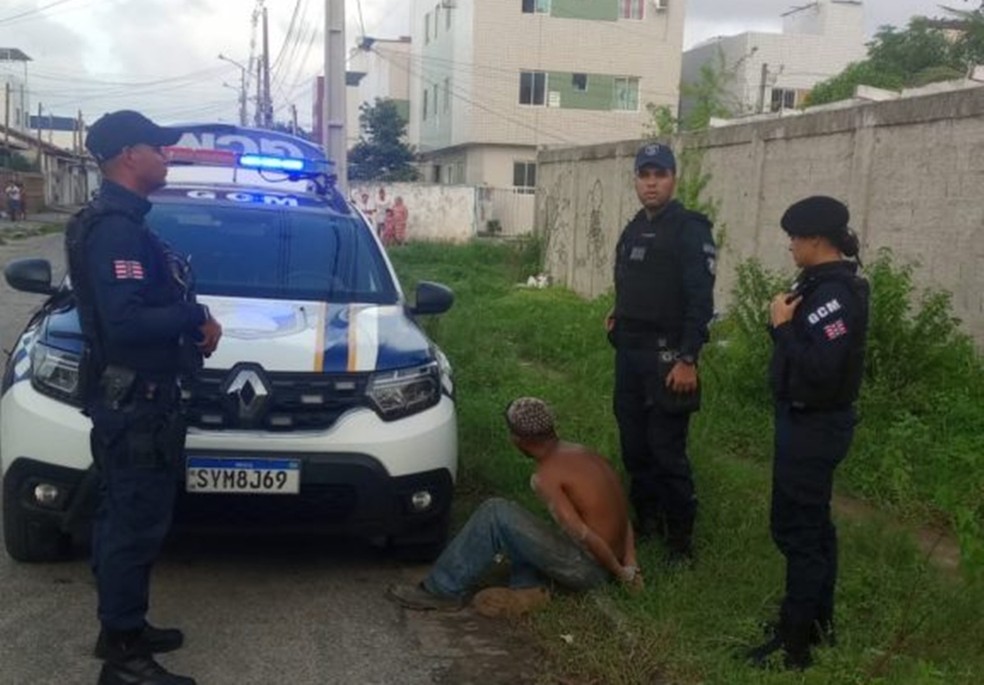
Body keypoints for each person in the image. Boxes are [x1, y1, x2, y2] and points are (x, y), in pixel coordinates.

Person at [69, 110, 222, 685]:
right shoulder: (116, 230)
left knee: (125, 519)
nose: (168, 154)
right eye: (159, 146)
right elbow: (127, 323)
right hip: (136, 404)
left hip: (137, 403)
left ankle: (125, 627)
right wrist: (192, 315)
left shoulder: (125, 222)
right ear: (130, 155)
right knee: (132, 526)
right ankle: (125, 660)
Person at [746, 196, 869, 671]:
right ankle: (814, 624)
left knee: (798, 531)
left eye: (795, 238)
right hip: (804, 420)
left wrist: (781, 329)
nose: (791, 246)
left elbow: (820, 365)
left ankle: (794, 645)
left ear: (817, 239)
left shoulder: (837, 295)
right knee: (814, 530)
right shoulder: (817, 283)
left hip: (814, 424)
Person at [386, 397, 641, 616]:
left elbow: (581, 534)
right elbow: (623, 516)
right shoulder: (586, 454)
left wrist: (621, 575)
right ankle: (528, 588)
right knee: (517, 520)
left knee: (496, 512)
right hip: (610, 559)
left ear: (517, 439)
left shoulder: (546, 477)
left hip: (590, 569)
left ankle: (442, 590)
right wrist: (630, 565)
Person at [607, 143, 716, 562]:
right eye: (644, 175)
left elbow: (699, 299)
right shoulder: (635, 226)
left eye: (660, 174)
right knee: (635, 445)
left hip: (669, 357)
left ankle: (680, 543)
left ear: (673, 178)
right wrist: (619, 311)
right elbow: (631, 279)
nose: (651, 183)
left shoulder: (690, 229)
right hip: (629, 355)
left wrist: (689, 358)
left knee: (666, 448)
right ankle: (647, 523)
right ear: (636, 180)